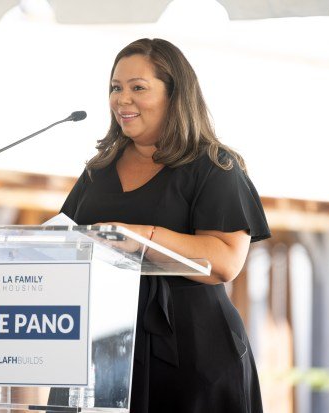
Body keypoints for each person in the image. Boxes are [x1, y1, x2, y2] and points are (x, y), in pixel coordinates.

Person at [60, 38, 270, 413]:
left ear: (175, 95)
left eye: (138, 88)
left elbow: (225, 261)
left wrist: (141, 237)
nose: (122, 100)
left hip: (192, 350)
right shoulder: (98, 170)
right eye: (115, 87)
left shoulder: (213, 166)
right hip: (103, 351)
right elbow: (66, 240)